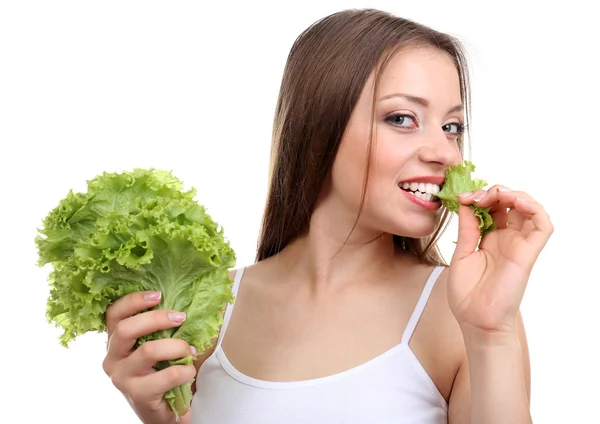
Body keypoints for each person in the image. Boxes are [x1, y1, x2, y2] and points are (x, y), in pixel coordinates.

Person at [101, 8, 553, 424]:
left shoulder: (465, 313)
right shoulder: (210, 310)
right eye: (401, 118)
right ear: (320, 130)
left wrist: (492, 334)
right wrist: (158, 415)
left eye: (451, 127)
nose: (444, 153)